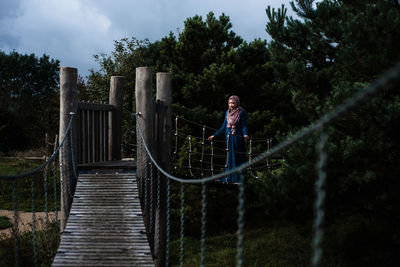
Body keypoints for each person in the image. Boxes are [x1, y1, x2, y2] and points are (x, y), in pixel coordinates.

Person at [208, 95, 249, 183]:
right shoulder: (228, 112)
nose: (231, 105)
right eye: (229, 103)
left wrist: (245, 134)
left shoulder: (241, 112)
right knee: (230, 157)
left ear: (237, 103)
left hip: (237, 137)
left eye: (233, 103)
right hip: (229, 138)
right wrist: (215, 135)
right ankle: (228, 177)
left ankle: (237, 178)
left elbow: (244, 125)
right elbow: (223, 127)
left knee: (237, 157)